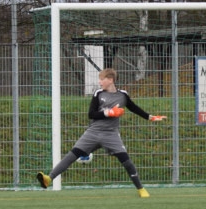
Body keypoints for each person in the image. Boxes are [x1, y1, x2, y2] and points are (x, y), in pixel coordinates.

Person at [36, 68, 165, 198]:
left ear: (110, 80)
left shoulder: (123, 95)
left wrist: (150, 117)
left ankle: (141, 189)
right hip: (93, 132)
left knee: (126, 160)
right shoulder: (98, 94)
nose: (100, 82)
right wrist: (108, 113)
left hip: (111, 134)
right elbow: (91, 114)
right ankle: (49, 178)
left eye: (102, 79)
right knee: (72, 155)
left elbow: (134, 108)